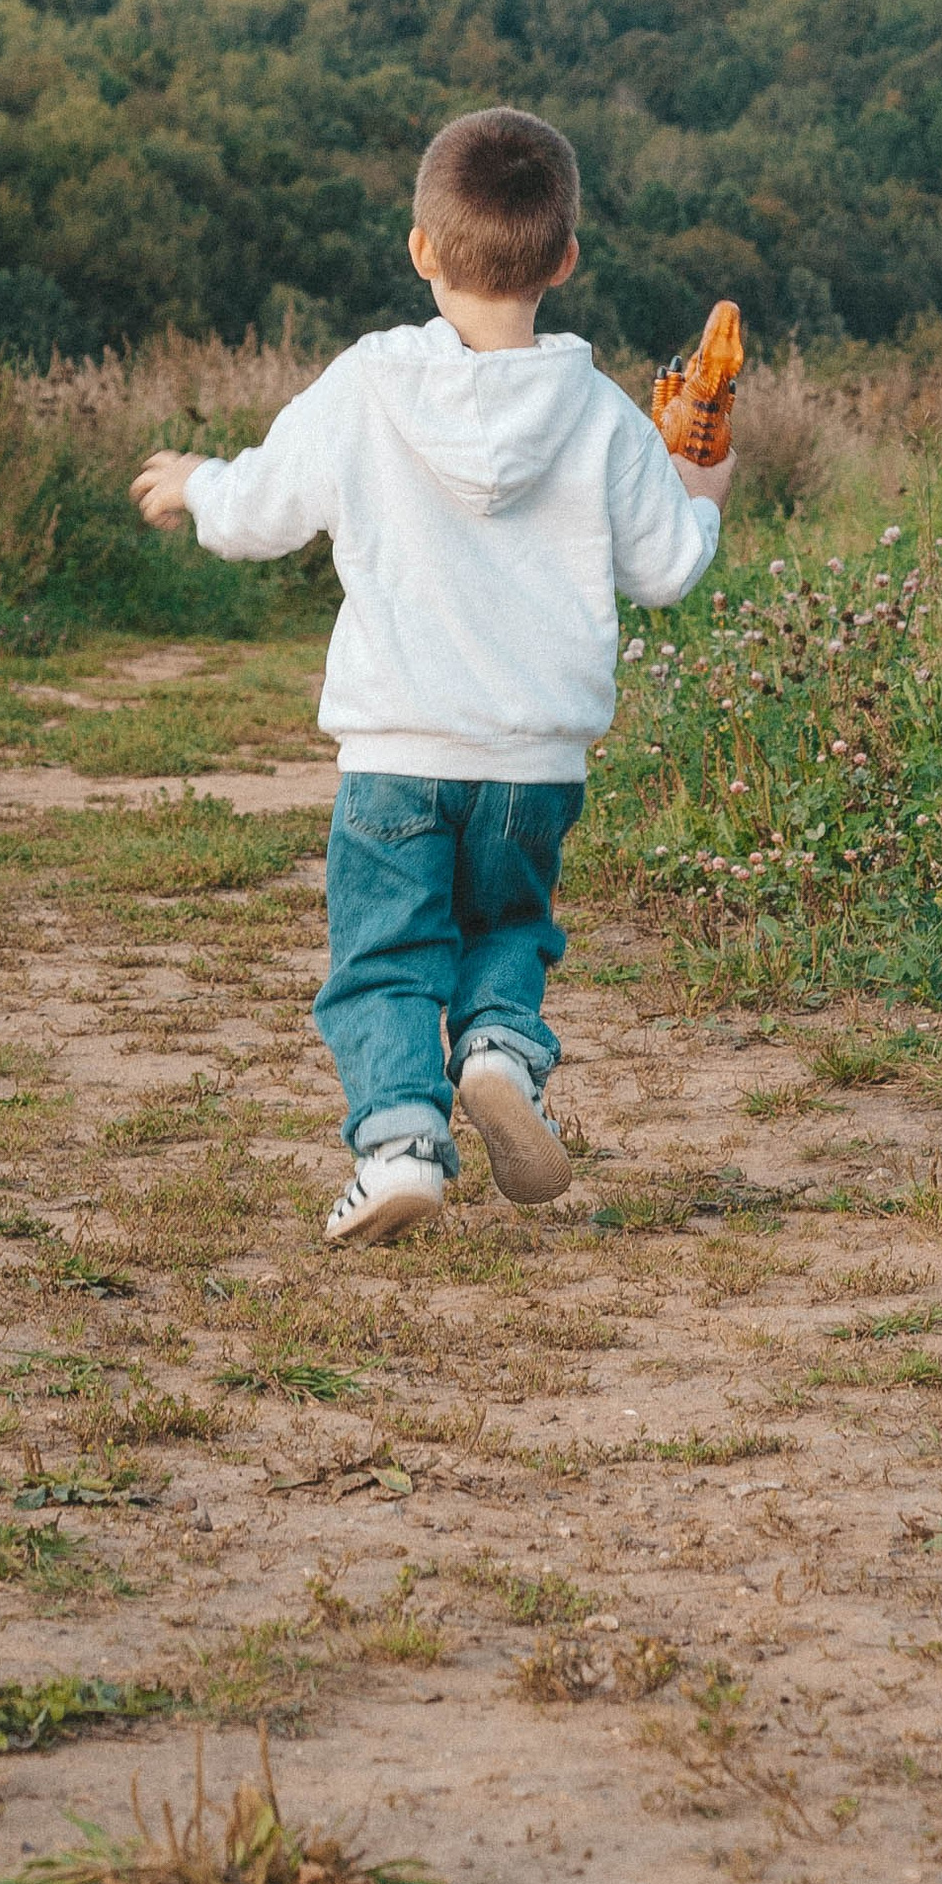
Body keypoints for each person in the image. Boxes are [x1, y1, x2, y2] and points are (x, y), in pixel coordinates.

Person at [130, 108, 734, 1245]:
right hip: (534, 766)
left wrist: (199, 482)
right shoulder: (602, 413)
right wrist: (702, 484)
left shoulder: (367, 385)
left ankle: (402, 1143)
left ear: (420, 249)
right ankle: (498, 1051)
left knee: (385, 959)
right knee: (507, 926)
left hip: (398, 752)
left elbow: (260, 509)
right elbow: (665, 569)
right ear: (564, 258)